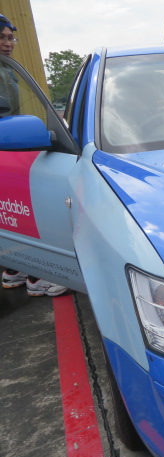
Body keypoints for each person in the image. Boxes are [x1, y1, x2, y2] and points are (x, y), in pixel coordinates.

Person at [0, 13, 68, 297]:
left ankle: (13, 268)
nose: (8, 43)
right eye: (2, 38)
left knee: (12, 212)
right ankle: (38, 275)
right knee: (25, 211)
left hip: (10, 145)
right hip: (8, 147)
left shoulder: (7, 69)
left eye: (11, 38)